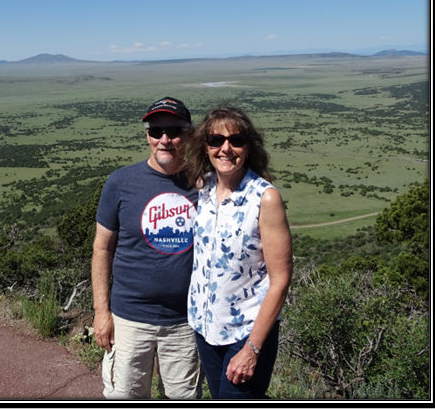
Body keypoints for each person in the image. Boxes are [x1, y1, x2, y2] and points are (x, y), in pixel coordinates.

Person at [92, 97, 203, 399]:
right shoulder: (121, 182)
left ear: (189, 134)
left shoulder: (205, 184)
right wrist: (102, 312)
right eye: (156, 132)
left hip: (185, 321)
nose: (164, 139)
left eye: (174, 131)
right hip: (128, 318)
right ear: (147, 136)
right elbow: (102, 249)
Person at [182, 105, 293, 399]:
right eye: (216, 140)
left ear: (249, 146)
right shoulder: (203, 189)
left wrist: (252, 349)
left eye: (237, 140)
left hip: (246, 333)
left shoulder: (265, 198)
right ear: (205, 147)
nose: (226, 148)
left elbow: (280, 280)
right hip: (207, 328)